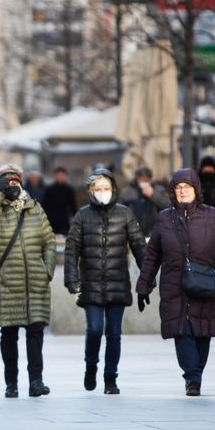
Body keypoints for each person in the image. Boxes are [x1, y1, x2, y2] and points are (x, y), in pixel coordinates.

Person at [135, 168, 215, 397]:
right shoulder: (164, 218)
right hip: (175, 286)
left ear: (196, 189)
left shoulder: (213, 217)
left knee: (203, 332)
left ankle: (196, 373)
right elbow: (152, 256)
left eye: (186, 187)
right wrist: (143, 287)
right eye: (178, 188)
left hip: (207, 286)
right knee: (182, 331)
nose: (182, 191)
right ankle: (192, 377)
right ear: (173, 191)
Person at [0, 163, 56, 398]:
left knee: (35, 332)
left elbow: (49, 242)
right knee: (8, 334)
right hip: (6, 284)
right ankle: (11, 383)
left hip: (35, 282)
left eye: (14, 179)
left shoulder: (34, 208)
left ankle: (36, 381)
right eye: (5, 180)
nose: (11, 184)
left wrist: (47, 269)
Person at [64, 169, 146, 395]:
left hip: (117, 283)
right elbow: (71, 249)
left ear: (113, 190)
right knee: (94, 329)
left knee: (114, 333)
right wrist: (71, 277)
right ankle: (91, 366)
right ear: (91, 191)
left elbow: (140, 247)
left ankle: (111, 378)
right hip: (90, 284)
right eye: (98, 189)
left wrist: (147, 278)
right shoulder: (82, 215)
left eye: (106, 189)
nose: (102, 193)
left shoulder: (125, 214)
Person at [119, 167, 170, 236]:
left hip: (154, 230)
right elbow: (120, 211)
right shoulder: (127, 191)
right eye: (141, 179)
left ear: (150, 179)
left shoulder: (158, 189)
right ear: (137, 178)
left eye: (146, 180)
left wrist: (153, 195)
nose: (144, 183)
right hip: (133, 231)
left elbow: (167, 205)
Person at [40, 167, 78, 235]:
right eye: (58, 175)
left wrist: (76, 218)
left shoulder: (69, 190)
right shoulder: (49, 190)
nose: (60, 177)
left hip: (64, 221)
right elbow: (44, 205)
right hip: (51, 220)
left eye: (62, 175)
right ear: (55, 176)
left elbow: (73, 205)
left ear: (65, 176)